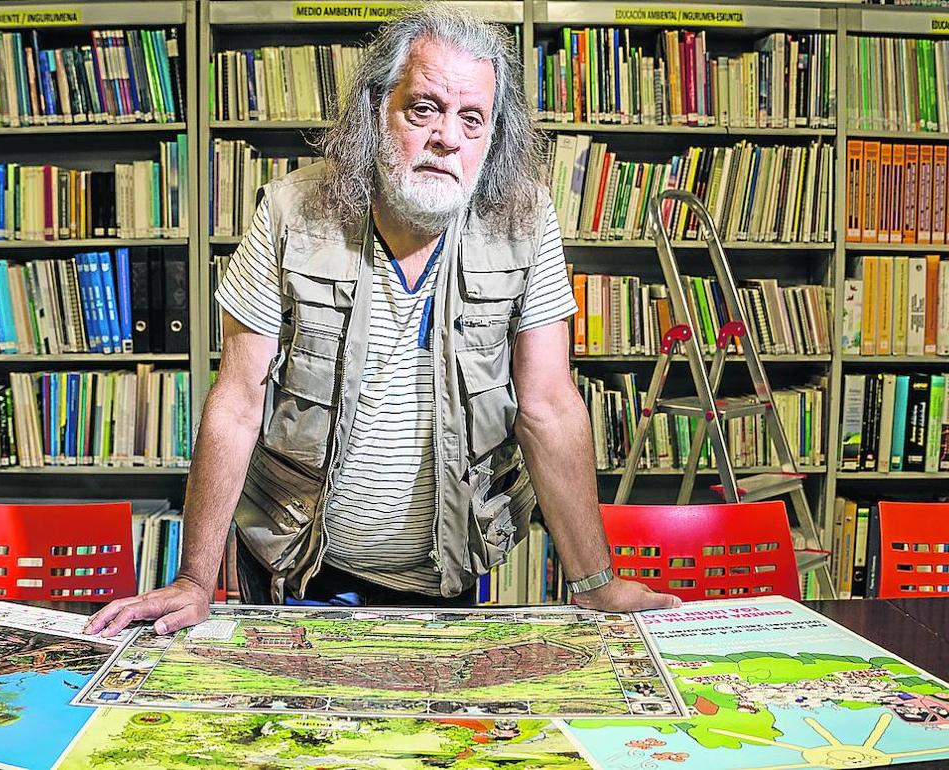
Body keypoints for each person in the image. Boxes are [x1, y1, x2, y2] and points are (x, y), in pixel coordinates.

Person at [87, 5, 679, 638]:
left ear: (493, 138)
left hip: (444, 574)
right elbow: (237, 399)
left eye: (471, 119)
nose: (447, 137)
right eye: (424, 108)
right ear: (376, 112)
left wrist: (594, 583)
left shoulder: (526, 219)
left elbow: (550, 404)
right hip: (295, 569)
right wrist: (194, 581)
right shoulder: (291, 212)